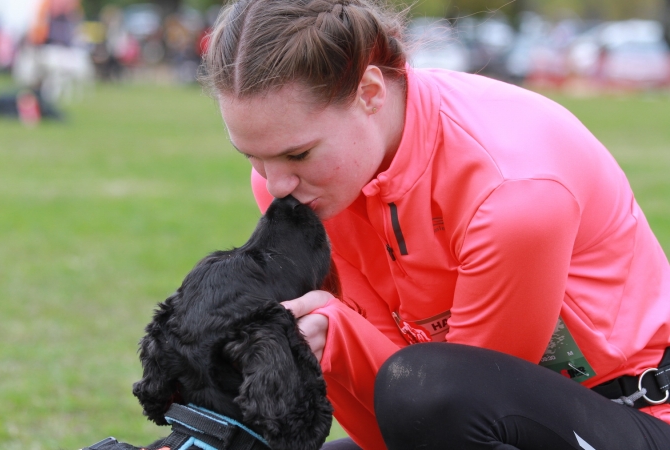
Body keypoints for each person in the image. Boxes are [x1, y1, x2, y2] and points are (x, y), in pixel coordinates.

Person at [199, 0, 670, 448]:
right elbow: (391, 430)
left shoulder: (512, 194)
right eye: (253, 157)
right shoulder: (306, 189)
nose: (276, 186)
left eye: (297, 154)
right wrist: (322, 346)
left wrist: (337, 336)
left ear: (370, 94)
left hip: (636, 415)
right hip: (460, 417)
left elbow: (445, 407)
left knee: (427, 390)